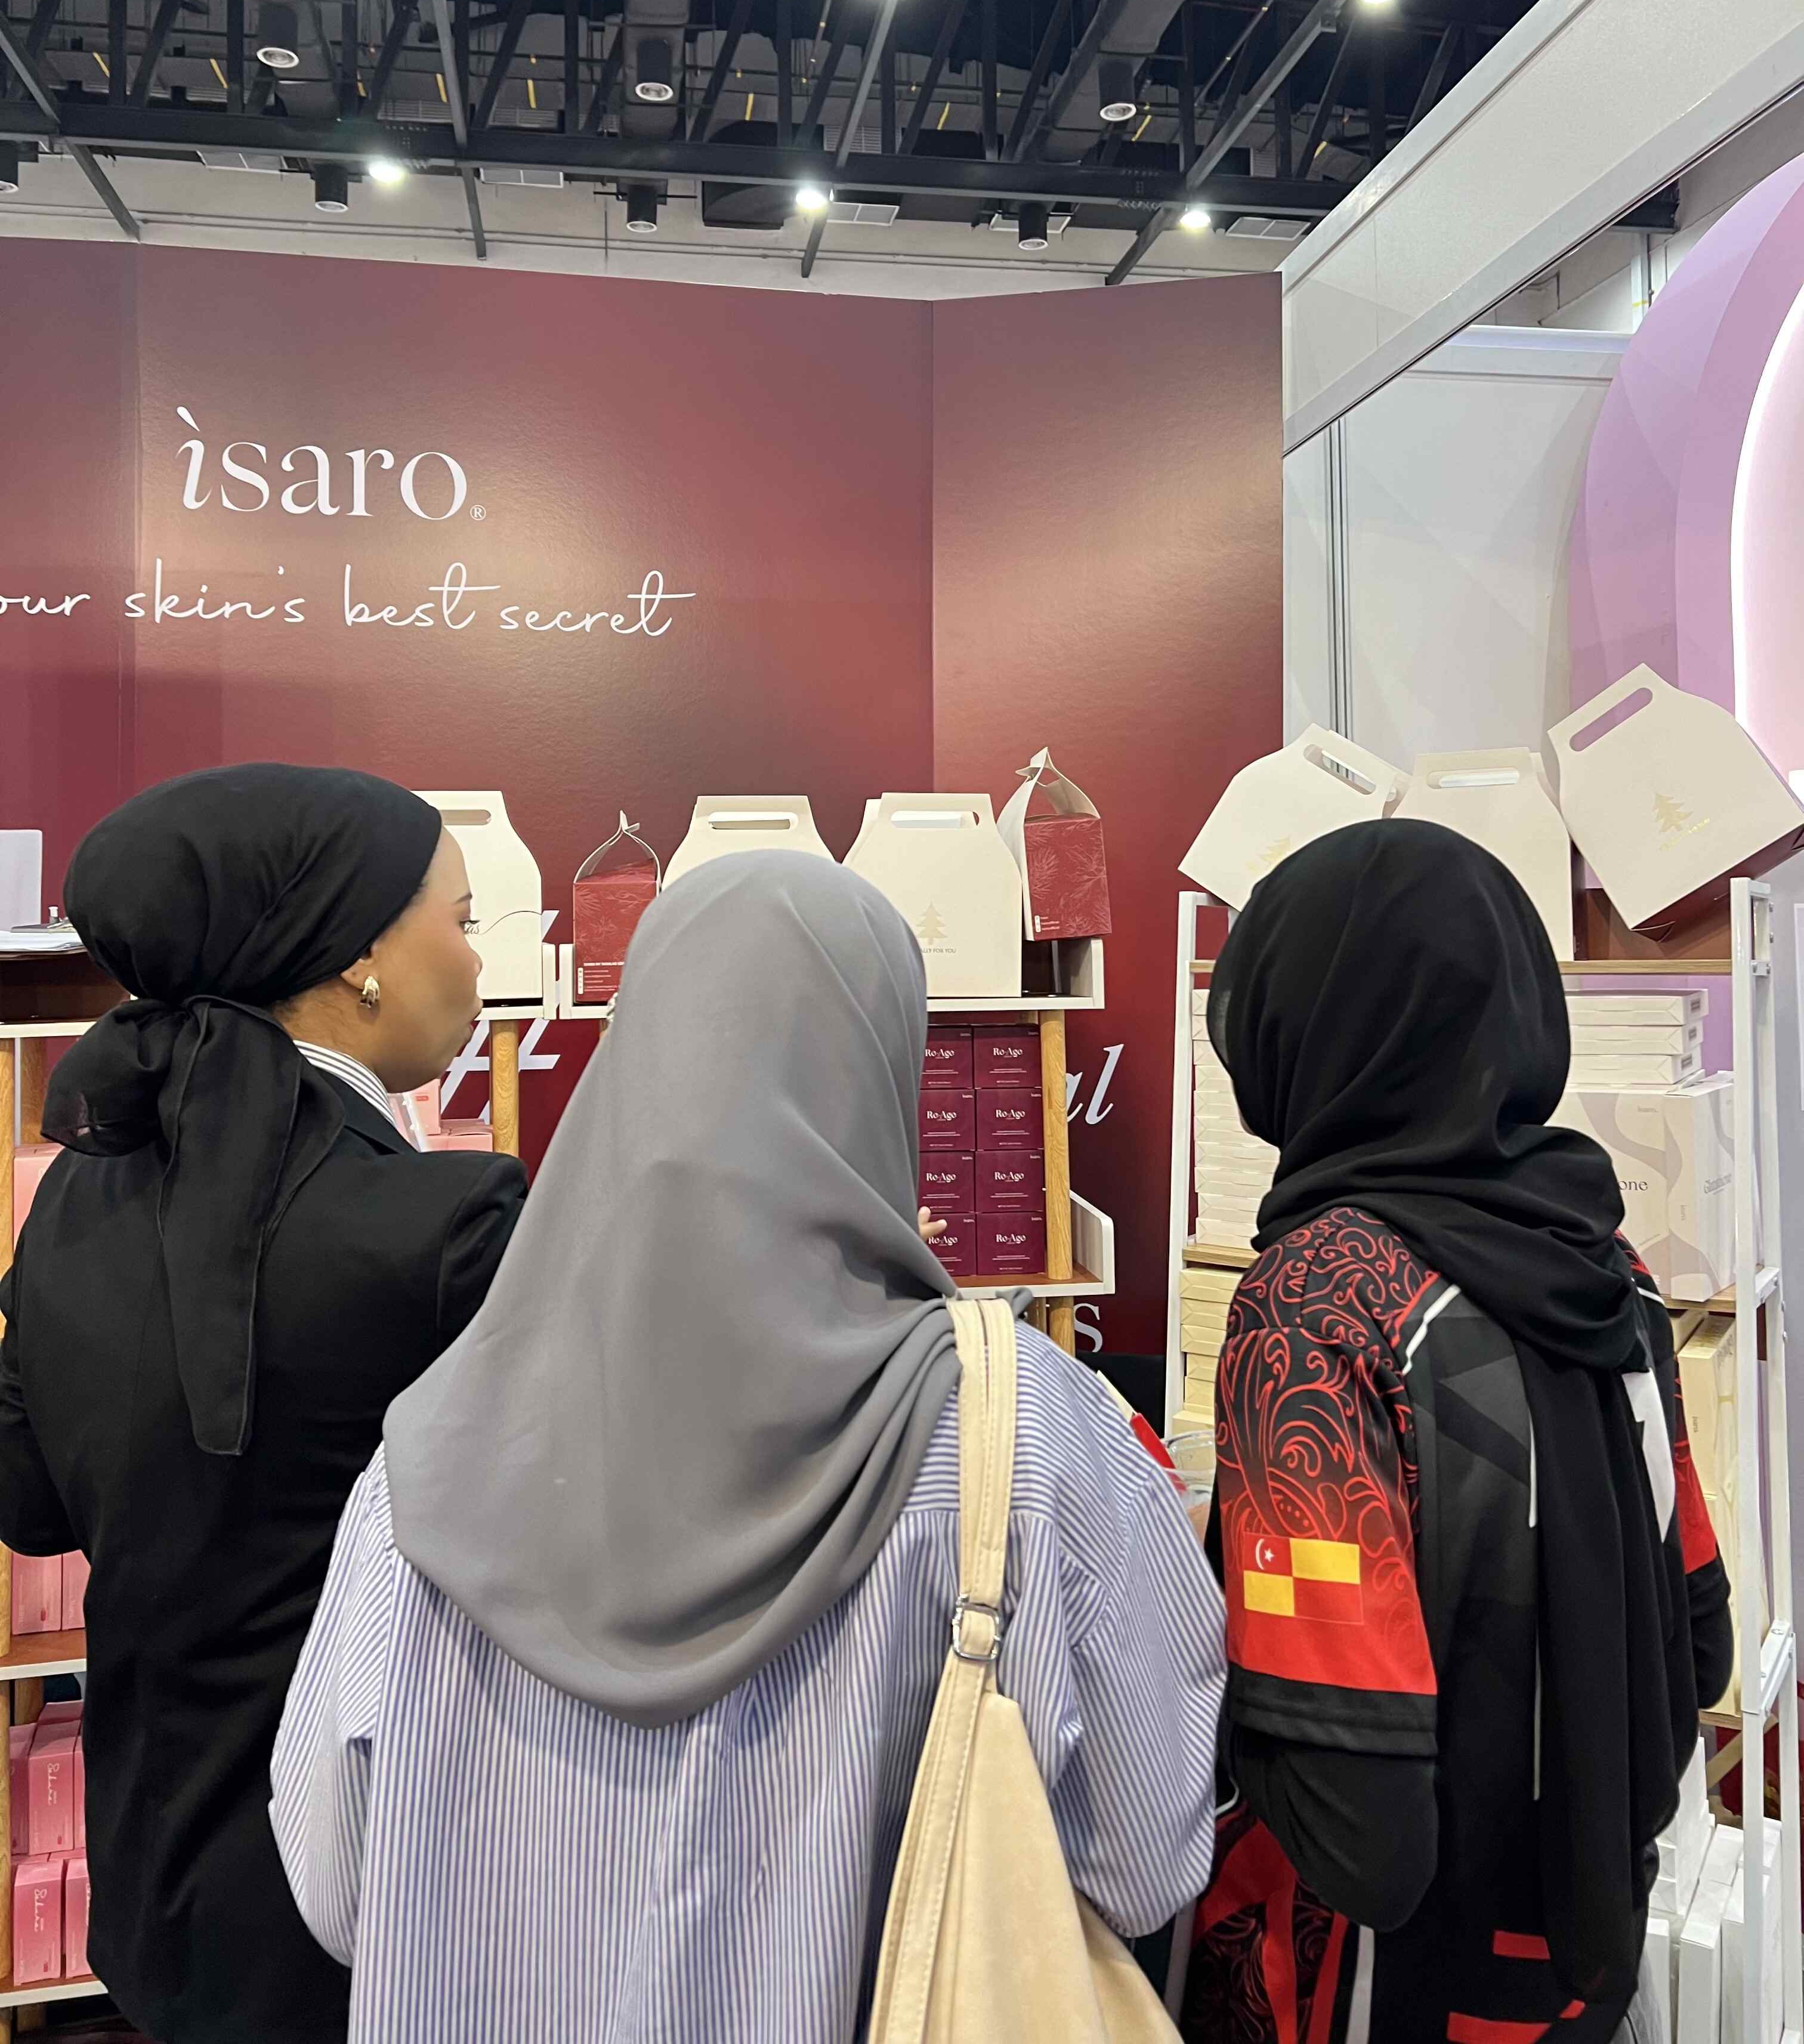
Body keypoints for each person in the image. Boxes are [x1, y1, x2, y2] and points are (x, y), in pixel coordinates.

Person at [273, 851, 1226, 2044]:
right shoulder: (1025, 1440)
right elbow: (1144, 1858)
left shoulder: (430, 1462)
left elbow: (336, 1888)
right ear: (883, 1068)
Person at [0, 765, 527, 2044]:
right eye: (462, 920)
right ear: (357, 958)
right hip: (375, 1896)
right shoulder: (452, 1221)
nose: (477, 960)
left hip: (152, 1879)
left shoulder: (71, 1192)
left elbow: (29, 1505)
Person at [1185, 820, 1733, 2044]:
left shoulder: (1315, 1311)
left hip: (1383, 1991)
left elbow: (1360, 1839)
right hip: (1578, 1964)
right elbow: (1700, 1643)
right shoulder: (1606, 1264)